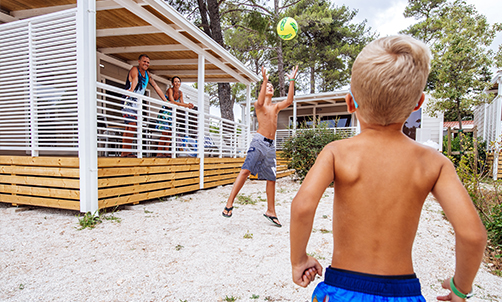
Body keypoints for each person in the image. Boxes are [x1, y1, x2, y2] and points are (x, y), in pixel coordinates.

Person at [289, 35, 487, 302]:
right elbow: (472, 235)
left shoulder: (336, 153)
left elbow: (302, 206)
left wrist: (299, 259)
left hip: (341, 290)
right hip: (402, 293)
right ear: (418, 103)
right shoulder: (434, 163)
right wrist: (460, 288)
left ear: (350, 102)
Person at [222, 65, 299, 227]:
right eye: (267, 86)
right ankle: (229, 203)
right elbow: (261, 99)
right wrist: (264, 80)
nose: (270, 87)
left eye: (271, 86)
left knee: (271, 178)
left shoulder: (276, 107)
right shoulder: (259, 105)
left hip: (270, 146)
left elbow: (290, 100)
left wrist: (291, 80)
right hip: (259, 142)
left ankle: (271, 211)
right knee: (245, 171)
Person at [121, 54, 170, 157]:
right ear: (139, 61)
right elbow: (135, 80)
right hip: (129, 101)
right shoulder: (134, 69)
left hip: (137, 104)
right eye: (144, 61)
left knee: (131, 127)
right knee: (131, 125)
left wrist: (166, 101)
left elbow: (155, 86)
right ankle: (125, 153)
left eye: (148, 62)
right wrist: (131, 90)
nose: (146, 64)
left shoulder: (147, 74)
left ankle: (125, 152)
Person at [156, 76, 195, 157]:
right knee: (165, 133)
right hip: (165, 113)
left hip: (172, 115)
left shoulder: (180, 93)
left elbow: (182, 103)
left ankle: (166, 152)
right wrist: (186, 105)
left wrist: (188, 105)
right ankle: (159, 153)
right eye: (175, 81)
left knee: (170, 134)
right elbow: (172, 101)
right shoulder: (170, 90)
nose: (177, 83)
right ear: (172, 83)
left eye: (178, 81)